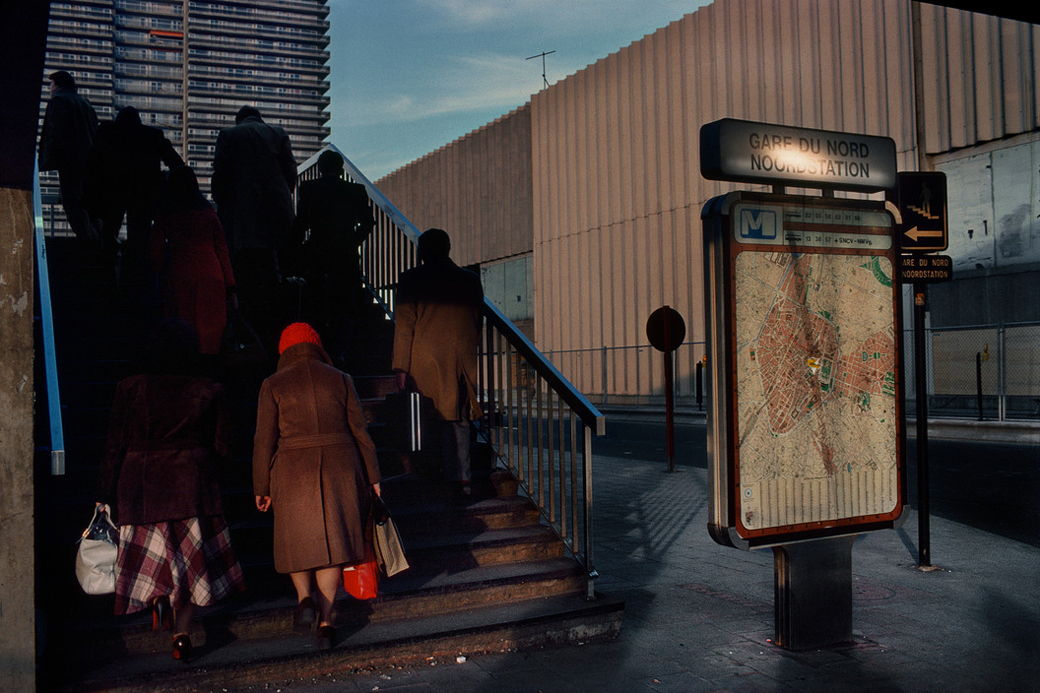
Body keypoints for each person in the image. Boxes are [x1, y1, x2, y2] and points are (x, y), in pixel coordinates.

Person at [96, 318, 245, 662]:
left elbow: (114, 446)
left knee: (154, 560)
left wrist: (104, 491)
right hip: (191, 484)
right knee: (191, 567)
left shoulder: (130, 388)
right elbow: (224, 444)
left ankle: (157, 599)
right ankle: (182, 634)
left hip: (140, 486)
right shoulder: (207, 388)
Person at [252, 322, 381, 650]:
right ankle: (326, 622)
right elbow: (361, 433)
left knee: (297, 540)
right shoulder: (341, 378)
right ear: (317, 345)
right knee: (334, 544)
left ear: (284, 350)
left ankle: (304, 597)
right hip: (341, 467)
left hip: (293, 470)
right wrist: (374, 477)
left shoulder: (273, 384)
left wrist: (261, 485)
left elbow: (263, 441)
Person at [391, 228, 484, 502]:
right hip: (460, 359)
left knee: (428, 419)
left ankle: (432, 477)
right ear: (449, 248)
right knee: (459, 419)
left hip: (424, 359)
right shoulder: (470, 280)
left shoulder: (412, 279)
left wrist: (400, 366)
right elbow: (476, 320)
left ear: (422, 251)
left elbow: (405, 324)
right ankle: (463, 479)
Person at [211, 106, 297, 336]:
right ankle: (277, 320)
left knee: (243, 264)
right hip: (275, 208)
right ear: (259, 117)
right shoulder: (278, 133)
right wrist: (284, 196)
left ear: (238, 119)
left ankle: (247, 323)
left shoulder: (228, 135)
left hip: (241, 210)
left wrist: (220, 199)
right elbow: (290, 171)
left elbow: (220, 171)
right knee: (273, 263)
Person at [290, 150, 375, 361]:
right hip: (345, 253)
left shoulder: (309, 189)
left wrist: (295, 251)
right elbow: (367, 222)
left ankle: (320, 350)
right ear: (340, 169)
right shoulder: (356, 190)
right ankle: (340, 352)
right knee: (345, 305)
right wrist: (352, 241)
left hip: (318, 251)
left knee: (316, 302)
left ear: (320, 168)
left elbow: (301, 224)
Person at [149, 165, 236, 360]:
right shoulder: (208, 212)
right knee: (210, 333)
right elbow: (223, 251)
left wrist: (160, 272)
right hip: (212, 273)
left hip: (180, 273)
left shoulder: (166, 214)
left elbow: (156, 253)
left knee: (183, 332)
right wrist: (231, 287)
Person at [85, 105, 183, 268]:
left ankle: (108, 269)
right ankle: (135, 273)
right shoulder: (153, 135)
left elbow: (93, 163)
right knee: (139, 236)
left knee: (109, 231)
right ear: (138, 120)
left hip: (112, 191)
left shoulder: (107, 132)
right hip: (143, 194)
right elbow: (176, 163)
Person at [38, 70, 100, 243]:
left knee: (72, 202)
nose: (49, 88)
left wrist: (48, 159)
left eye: (51, 84)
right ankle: (97, 239)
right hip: (90, 161)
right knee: (89, 202)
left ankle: (86, 239)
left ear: (57, 84)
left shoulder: (59, 100)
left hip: (70, 160)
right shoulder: (85, 103)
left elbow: (56, 131)